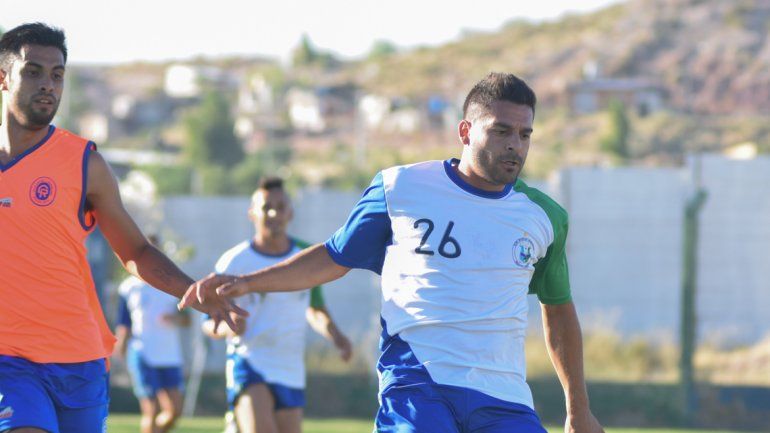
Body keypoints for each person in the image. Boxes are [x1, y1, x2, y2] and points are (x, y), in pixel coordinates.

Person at [182, 72, 605, 433]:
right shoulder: (400, 188)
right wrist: (244, 283)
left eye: (524, 134)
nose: (515, 144)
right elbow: (333, 257)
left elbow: (558, 309)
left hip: (503, 396)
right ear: (465, 131)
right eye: (501, 130)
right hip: (417, 386)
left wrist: (578, 408)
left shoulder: (545, 217)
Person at [0, 23, 243, 433]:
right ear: (3, 77)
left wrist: (192, 291)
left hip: (80, 358)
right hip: (9, 362)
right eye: (33, 71)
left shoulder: (84, 163)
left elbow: (135, 251)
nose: (48, 85)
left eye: (57, 75)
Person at [202, 177, 352, 433]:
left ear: (290, 213)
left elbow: (314, 309)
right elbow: (208, 324)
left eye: (280, 207)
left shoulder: (304, 257)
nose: (273, 213)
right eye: (265, 207)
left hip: (289, 369)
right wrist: (229, 329)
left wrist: (336, 336)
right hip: (249, 364)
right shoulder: (233, 261)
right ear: (252, 213)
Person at [115, 235, 189, 433]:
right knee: (152, 410)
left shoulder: (172, 284)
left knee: (175, 410)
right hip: (142, 352)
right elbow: (124, 324)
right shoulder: (129, 287)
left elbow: (188, 319)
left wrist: (176, 319)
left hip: (169, 354)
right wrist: (120, 350)